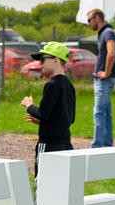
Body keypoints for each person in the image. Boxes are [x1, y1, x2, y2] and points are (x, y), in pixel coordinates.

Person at [20, 42, 76, 174]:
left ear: (55, 60)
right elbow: (69, 118)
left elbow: (42, 113)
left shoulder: (52, 85)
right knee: (59, 180)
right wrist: (44, 123)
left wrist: (29, 105)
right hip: (65, 144)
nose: (40, 63)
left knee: (42, 179)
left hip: (49, 144)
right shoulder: (69, 85)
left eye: (43, 59)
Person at [87, 8, 115, 148]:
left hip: (104, 80)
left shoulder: (107, 32)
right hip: (103, 80)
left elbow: (112, 53)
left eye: (89, 20)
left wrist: (106, 72)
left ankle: (97, 147)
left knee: (99, 112)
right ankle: (106, 145)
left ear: (97, 18)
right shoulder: (105, 33)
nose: (88, 24)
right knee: (106, 113)